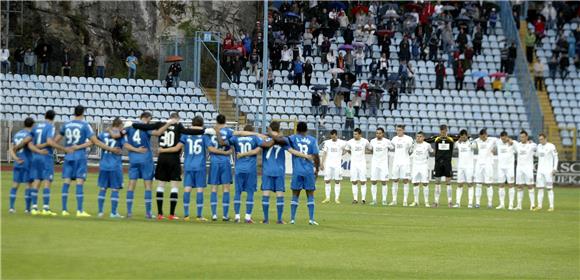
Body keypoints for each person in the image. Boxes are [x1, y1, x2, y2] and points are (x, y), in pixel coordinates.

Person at [159, 116, 225, 221]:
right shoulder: (204, 135)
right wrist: (224, 152)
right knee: (200, 190)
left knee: (187, 189)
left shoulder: (185, 135)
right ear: (202, 124)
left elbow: (177, 148)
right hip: (200, 166)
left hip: (188, 165)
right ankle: (199, 216)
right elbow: (211, 149)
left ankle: (186, 215)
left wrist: (163, 150)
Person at [59, 105, 120, 217]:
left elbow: (55, 140)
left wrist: (65, 148)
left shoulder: (66, 125)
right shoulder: (85, 125)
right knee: (79, 182)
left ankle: (64, 210)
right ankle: (79, 210)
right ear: (83, 113)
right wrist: (111, 149)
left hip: (68, 156)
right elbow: (95, 141)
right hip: (79, 156)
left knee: (66, 182)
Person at [123, 112, 176, 218]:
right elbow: (158, 133)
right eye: (150, 119)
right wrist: (168, 124)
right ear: (147, 118)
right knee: (148, 186)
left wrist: (135, 150)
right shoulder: (145, 127)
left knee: (131, 185)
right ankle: (148, 212)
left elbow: (124, 143)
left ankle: (129, 212)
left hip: (133, 159)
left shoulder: (130, 127)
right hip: (146, 159)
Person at [27, 110, 70, 216]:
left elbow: (29, 142)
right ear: (53, 118)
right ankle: (46, 208)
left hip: (35, 156)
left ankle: (34, 208)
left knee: (37, 180)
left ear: (45, 116)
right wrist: (62, 148)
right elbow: (50, 142)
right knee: (47, 181)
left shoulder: (36, 126)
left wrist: (37, 149)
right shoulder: (50, 127)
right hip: (46, 157)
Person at [261, 121, 304, 224]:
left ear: (270, 128)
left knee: (266, 194)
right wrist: (305, 156)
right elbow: (292, 151)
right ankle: (279, 219)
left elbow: (260, 147)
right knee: (280, 195)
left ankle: (266, 219)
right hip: (279, 170)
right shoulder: (283, 140)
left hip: (267, 170)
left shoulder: (265, 138)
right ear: (279, 129)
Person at [227, 124, 264, 223]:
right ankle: (247, 217)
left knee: (237, 192)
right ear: (252, 131)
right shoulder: (255, 138)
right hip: (250, 169)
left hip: (239, 168)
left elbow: (226, 140)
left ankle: (237, 216)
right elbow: (259, 149)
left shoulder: (236, 139)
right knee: (250, 192)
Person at [287, 122, 320, 225]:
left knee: (295, 194)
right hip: (308, 170)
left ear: (297, 129)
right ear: (306, 130)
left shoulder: (293, 138)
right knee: (310, 194)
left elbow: (284, 141)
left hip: (297, 170)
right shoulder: (312, 140)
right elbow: (316, 156)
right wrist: (317, 169)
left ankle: (292, 219)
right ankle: (311, 219)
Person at [96, 117, 126, 218]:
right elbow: (123, 146)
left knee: (103, 188)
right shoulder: (120, 135)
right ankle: (113, 213)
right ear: (120, 125)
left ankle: (100, 212)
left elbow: (95, 141)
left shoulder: (103, 134)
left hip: (104, 164)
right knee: (115, 189)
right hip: (115, 165)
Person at [425, 125, 458, 208]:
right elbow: (425, 141)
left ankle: (450, 202)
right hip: (438, 163)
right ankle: (436, 202)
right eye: (441, 131)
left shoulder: (451, 138)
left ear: (447, 130)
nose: (443, 132)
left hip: (447, 163)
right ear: (440, 131)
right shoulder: (436, 138)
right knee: (437, 182)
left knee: (448, 182)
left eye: (444, 131)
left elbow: (461, 137)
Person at [8, 117, 37, 213]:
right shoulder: (30, 135)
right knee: (29, 185)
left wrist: (15, 158)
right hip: (28, 162)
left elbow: (11, 149)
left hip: (18, 162)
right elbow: (31, 147)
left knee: (15, 184)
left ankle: (11, 207)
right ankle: (27, 209)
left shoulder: (17, 134)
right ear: (32, 125)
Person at [389, 125, 414, 206]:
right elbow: (391, 147)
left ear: (403, 130)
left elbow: (412, 150)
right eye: (397, 130)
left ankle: (405, 201)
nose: (398, 132)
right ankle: (394, 200)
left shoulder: (408, 139)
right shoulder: (394, 139)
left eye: (400, 130)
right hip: (396, 162)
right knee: (395, 180)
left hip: (405, 162)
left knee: (405, 180)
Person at [472, 129, 497, 209]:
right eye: (480, 136)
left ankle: (489, 203)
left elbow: (502, 142)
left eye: (483, 136)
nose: (482, 138)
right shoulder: (477, 140)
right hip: (479, 164)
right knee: (478, 183)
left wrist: (495, 149)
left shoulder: (493, 140)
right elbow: (470, 145)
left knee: (488, 184)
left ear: (486, 135)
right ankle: (477, 203)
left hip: (488, 164)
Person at [320, 130, 347, 204]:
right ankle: (327, 198)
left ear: (336, 135)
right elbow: (324, 153)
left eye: (334, 136)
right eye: (331, 136)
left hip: (337, 165)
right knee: (327, 180)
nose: (333, 137)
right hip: (328, 164)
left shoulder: (342, 142)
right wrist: (322, 163)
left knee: (337, 181)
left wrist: (342, 153)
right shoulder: (327, 142)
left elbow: (347, 149)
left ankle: (336, 198)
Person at [513, 130, 537, 211]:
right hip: (519, 168)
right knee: (519, 186)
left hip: (528, 168)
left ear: (527, 137)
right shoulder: (517, 145)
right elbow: (511, 143)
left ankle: (532, 205)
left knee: (530, 186)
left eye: (523, 137)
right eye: (520, 137)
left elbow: (538, 148)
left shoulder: (532, 145)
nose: (521, 138)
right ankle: (519, 205)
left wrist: (532, 142)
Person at [345, 128, 371, 204]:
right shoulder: (350, 142)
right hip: (354, 164)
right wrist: (352, 153)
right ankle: (355, 199)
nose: (354, 135)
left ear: (360, 134)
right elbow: (347, 149)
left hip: (362, 164)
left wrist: (364, 152)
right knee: (354, 181)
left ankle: (363, 199)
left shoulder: (365, 141)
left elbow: (370, 149)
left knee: (363, 181)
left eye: (356, 134)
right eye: (354, 134)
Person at [369, 127, 393, 205]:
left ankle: (384, 200)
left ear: (383, 134)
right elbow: (370, 149)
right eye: (377, 133)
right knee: (373, 181)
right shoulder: (372, 141)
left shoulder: (387, 141)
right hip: (375, 164)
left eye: (379, 133)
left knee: (384, 182)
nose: (378, 134)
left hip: (383, 164)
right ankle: (374, 200)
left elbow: (392, 148)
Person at [534, 133, 558, 211]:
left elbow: (556, 157)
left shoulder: (551, 146)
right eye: (539, 139)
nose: (540, 140)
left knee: (549, 188)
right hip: (540, 171)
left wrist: (554, 168)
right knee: (540, 188)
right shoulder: (539, 146)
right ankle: (539, 206)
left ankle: (551, 206)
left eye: (541, 139)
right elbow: (536, 155)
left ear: (545, 138)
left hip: (548, 171)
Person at [410, 131, 434, 207]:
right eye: (417, 136)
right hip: (415, 166)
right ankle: (416, 201)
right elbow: (409, 152)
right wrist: (412, 146)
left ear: (423, 137)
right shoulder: (413, 145)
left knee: (425, 183)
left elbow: (432, 151)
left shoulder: (427, 145)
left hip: (424, 166)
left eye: (420, 136)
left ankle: (426, 202)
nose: (418, 138)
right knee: (415, 183)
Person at [493, 131, 515, 210]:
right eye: (502, 138)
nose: (503, 140)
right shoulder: (498, 142)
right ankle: (501, 204)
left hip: (510, 168)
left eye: (504, 138)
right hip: (501, 167)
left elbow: (520, 147)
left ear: (507, 136)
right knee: (501, 185)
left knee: (511, 185)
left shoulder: (513, 143)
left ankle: (511, 205)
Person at [454, 130, 476, 208]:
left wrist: (470, 140)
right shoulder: (458, 143)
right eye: (461, 137)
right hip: (461, 167)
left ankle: (470, 203)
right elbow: (454, 145)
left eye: (464, 137)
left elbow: (475, 147)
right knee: (459, 184)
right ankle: (457, 203)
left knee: (470, 184)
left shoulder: (471, 142)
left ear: (467, 136)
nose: (463, 138)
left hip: (469, 167)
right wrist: (458, 140)